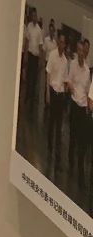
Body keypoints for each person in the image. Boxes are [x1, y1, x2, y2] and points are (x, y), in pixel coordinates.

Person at [68, 39, 92, 186]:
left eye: (83, 51)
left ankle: (79, 168)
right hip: (74, 104)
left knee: (81, 138)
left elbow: (88, 90)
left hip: (82, 107)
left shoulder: (87, 70)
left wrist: (88, 107)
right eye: (79, 50)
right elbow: (69, 80)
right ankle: (70, 160)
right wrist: (71, 87)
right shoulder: (73, 65)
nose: (81, 53)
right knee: (72, 133)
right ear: (78, 52)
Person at [47, 32, 72, 176]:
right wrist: (47, 92)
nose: (62, 44)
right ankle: (49, 145)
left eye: (64, 43)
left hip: (61, 95)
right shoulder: (52, 55)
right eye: (61, 42)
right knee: (51, 122)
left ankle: (57, 156)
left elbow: (66, 78)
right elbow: (48, 73)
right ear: (58, 42)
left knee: (59, 125)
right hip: (53, 91)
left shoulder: (65, 61)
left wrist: (68, 86)